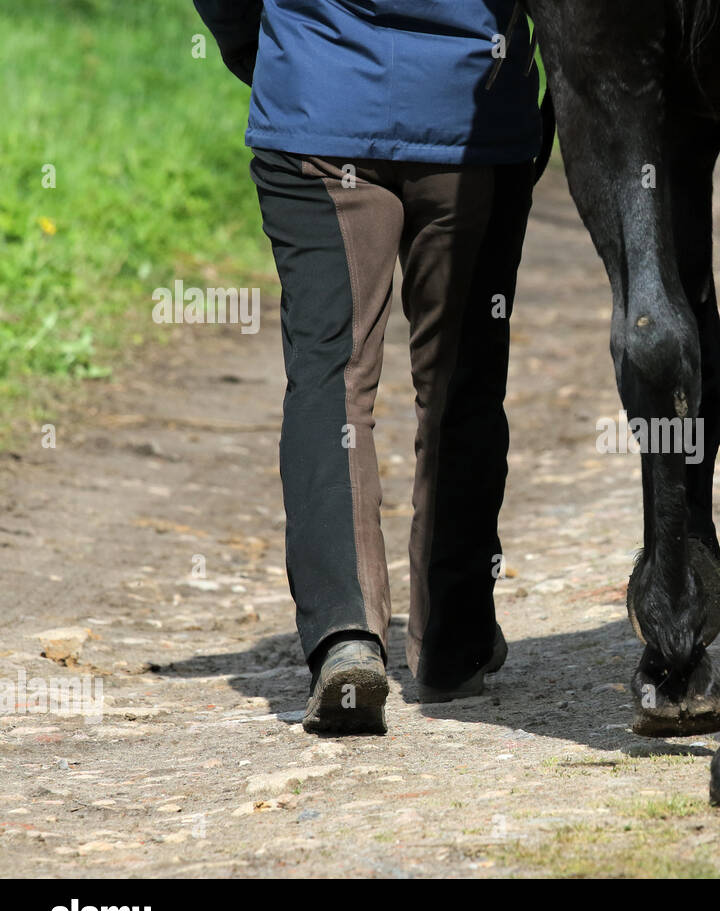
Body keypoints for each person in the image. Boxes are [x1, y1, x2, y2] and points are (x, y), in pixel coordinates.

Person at [193, 1, 543, 734]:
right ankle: (452, 637)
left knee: (331, 374)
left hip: (318, 104)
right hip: (473, 111)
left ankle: (345, 635)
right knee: (460, 377)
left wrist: (276, 60)